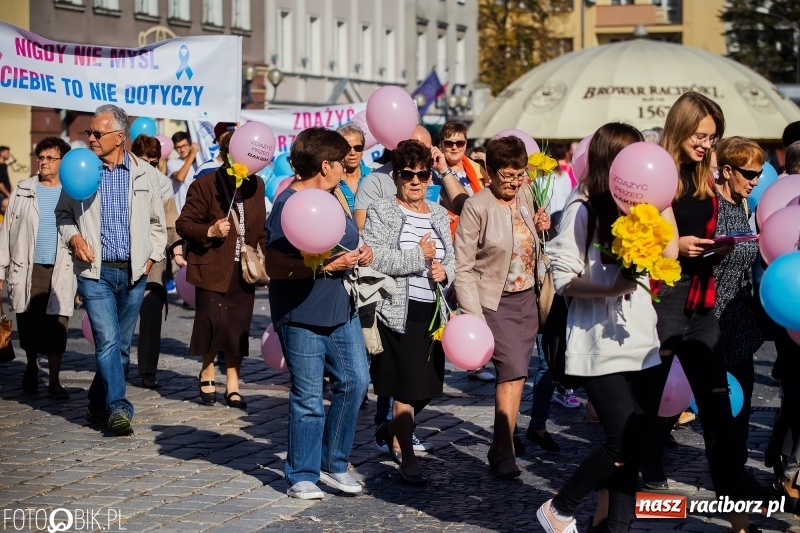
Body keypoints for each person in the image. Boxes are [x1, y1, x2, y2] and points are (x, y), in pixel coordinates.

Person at [535, 123, 671, 533]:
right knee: (620, 441)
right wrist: (611, 285)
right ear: (611, 163)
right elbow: (563, 279)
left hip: (642, 340)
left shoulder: (643, 212)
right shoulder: (582, 209)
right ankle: (560, 507)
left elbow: (667, 255)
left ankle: (617, 528)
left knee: (635, 443)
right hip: (598, 344)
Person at [646, 92, 754, 533]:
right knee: (647, 401)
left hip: (702, 301)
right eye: (701, 135)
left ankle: (736, 501)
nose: (707, 144)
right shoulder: (660, 173)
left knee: (716, 404)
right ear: (681, 126)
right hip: (666, 299)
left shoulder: (704, 177)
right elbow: (642, 240)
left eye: (712, 137)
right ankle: (631, 483)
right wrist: (679, 247)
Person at [265, 127, 371, 500]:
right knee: (309, 396)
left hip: (339, 307)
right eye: (342, 162)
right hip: (302, 311)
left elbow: (342, 239)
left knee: (356, 380)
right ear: (325, 165)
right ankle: (302, 473)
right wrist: (325, 266)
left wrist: (360, 251)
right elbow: (275, 264)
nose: (347, 168)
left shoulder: (336, 194)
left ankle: (335, 463)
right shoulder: (289, 202)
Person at [354, 124, 466, 459]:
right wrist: (420, 256)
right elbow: (377, 257)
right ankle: (406, 457)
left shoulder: (436, 213)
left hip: (432, 310)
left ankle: (391, 431)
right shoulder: (383, 210)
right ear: (397, 177)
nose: (415, 181)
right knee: (405, 388)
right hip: (396, 312)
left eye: (422, 174)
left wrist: (445, 272)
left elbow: (453, 256)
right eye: (407, 174)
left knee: (429, 387)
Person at [56, 104, 167, 436]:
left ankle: (95, 402)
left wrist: (151, 257)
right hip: (95, 273)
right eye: (89, 132)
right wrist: (75, 238)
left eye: (97, 133)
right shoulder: (80, 169)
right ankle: (119, 407)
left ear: (120, 137)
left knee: (119, 346)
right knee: (106, 341)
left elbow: (157, 225)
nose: (91, 138)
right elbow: (62, 215)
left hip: (134, 273)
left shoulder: (146, 174)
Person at [455, 135, 550, 479]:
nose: (513, 182)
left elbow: (534, 246)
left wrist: (543, 227)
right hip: (492, 301)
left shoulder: (526, 195)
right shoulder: (477, 206)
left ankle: (499, 444)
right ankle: (506, 450)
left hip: (526, 298)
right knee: (510, 371)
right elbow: (462, 266)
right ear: (489, 172)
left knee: (518, 374)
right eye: (506, 175)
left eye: (519, 174)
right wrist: (473, 316)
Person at [176, 132, 265, 409]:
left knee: (237, 327)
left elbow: (260, 227)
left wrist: (265, 263)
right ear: (228, 154)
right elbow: (184, 224)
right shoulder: (205, 184)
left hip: (244, 271)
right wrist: (210, 230)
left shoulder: (256, 184)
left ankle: (234, 384)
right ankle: (207, 369)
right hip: (212, 266)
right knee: (212, 322)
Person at [0, 137, 75, 399]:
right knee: (29, 324)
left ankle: (54, 380)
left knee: (58, 324)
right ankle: (31, 367)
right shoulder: (23, 190)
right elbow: (6, 232)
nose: (43, 162)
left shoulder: (73, 191)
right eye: (40, 157)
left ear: (62, 161)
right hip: (27, 268)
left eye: (50, 158)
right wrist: (1, 270)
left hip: (61, 269)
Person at [712, 137, 766, 481]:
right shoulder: (709, 205)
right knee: (708, 401)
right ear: (728, 171)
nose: (756, 181)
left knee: (742, 399)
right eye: (749, 173)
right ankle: (651, 457)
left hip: (739, 320)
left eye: (759, 174)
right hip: (707, 320)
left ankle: (736, 468)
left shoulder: (745, 207)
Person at [131, 134, 186, 389]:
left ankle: (147, 370)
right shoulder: (121, 179)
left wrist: (176, 251)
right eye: (142, 161)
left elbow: (171, 223)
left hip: (155, 259)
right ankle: (115, 365)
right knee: (122, 316)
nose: (147, 167)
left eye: (153, 163)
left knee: (151, 313)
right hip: (124, 256)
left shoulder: (163, 184)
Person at [336, 123, 371, 213]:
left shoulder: (373, 176)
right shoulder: (330, 181)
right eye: (347, 148)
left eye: (357, 147)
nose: (352, 153)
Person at [167, 131, 199, 214]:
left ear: (190, 144)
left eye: (184, 145)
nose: (182, 150)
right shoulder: (172, 163)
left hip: (198, 209)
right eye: (178, 147)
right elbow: (180, 177)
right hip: (181, 211)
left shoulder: (199, 163)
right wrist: (192, 154)